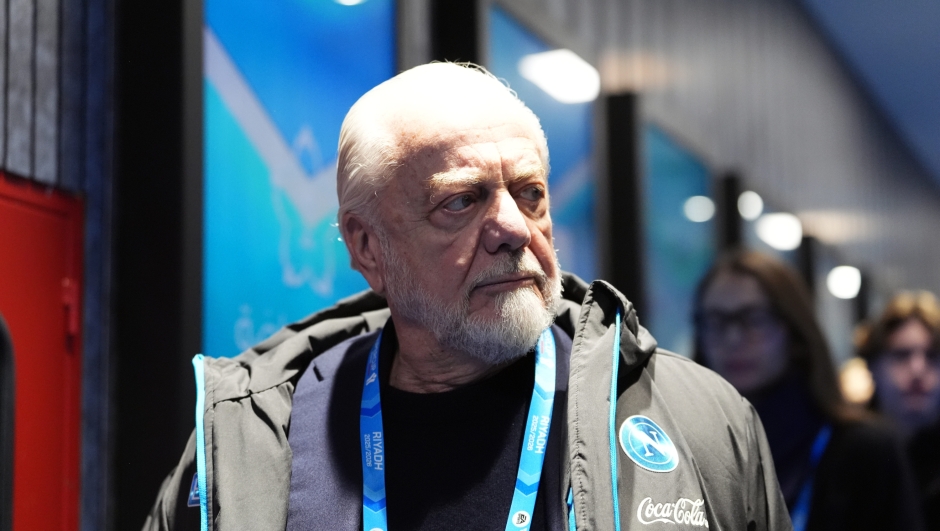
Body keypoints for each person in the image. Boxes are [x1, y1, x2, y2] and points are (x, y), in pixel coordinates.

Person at [144, 63, 790, 531]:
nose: (513, 227)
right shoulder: (243, 440)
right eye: (462, 199)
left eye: (530, 193)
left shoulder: (699, 421)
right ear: (368, 247)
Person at [692, 250, 924, 531]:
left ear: (794, 329)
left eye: (753, 319)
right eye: (716, 321)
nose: (733, 338)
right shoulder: (689, 450)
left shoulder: (865, 450)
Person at [857, 291, 940, 530]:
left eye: (932, 356)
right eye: (902, 355)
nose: (917, 369)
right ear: (872, 367)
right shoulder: (846, 452)